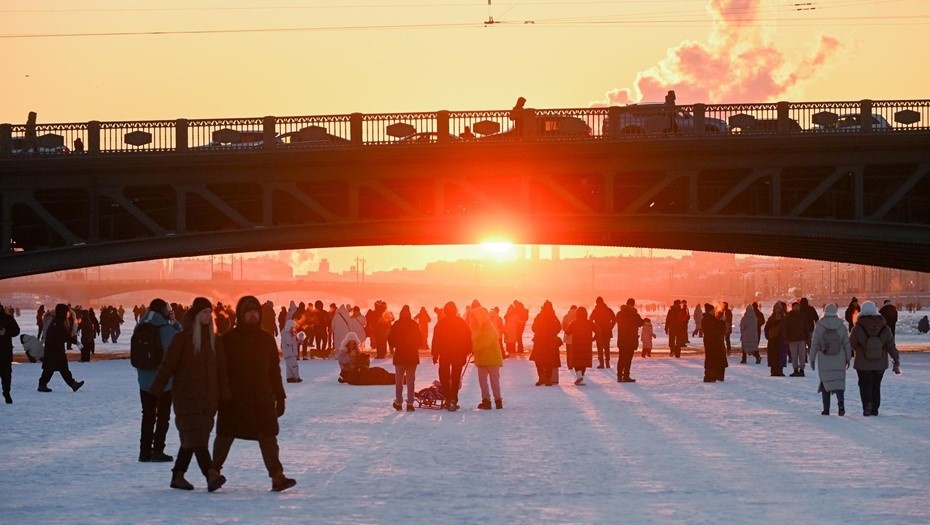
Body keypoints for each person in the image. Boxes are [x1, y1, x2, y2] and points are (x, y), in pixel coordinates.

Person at [213, 296, 295, 492]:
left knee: (268, 437)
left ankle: (277, 476)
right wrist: (220, 396)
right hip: (234, 399)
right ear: (240, 314)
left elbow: (274, 371)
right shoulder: (228, 339)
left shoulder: (266, 339)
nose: (252, 315)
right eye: (248, 312)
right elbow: (220, 371)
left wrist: (280, 397)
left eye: (255, 311)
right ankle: (213, 473)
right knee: (225, 436)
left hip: (261, 398)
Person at [149, 297, 229, 492]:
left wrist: (225, 397)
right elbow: (167, 366)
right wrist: (154, 391)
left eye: (209, 312)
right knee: (197, 438)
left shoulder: (215, 340)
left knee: (192, 439)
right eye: (204, 312)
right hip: (187, 398)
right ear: (196, 315)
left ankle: (178, 475)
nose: (208, 316)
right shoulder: (182, 339)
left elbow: (222, 372)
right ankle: (210, 474)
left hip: (208, 400)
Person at [136, 299, 182, 463]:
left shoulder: (140, 326)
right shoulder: (166, 329)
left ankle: (144, 452)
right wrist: (174, 322)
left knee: (147, 415)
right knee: (163, 416)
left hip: (144, 381)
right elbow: (182, 339)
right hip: (164, 382)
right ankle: (158, 450)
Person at [850, 301, 901, 417]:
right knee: (876, 385)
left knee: (864, 385)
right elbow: (891, 346)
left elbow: (851, 344)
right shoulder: (885, 328)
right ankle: (875, 408)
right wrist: (896, 359)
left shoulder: (857, 328)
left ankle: (867, 405)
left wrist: (859, 350)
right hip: (880, 363)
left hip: (862, 363)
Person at [809, 303, 852, 416]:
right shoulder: (841, 325)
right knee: (839, 382)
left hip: (824, 358)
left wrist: (812, 358)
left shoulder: (820, 325)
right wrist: (848, 358)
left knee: (825, 382)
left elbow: (814, 343)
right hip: (839, 357)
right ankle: (841, 404)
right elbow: (847, 344)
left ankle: (826, 408)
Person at [431, 302, 472, 411]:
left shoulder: (441, 323)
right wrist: (467, 352)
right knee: (456, 377)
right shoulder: (461, 323)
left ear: (445, 311)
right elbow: (468, 338)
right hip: (458, 354)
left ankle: (448, 398)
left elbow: (436, 340)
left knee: (444, 377)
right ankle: (453, 399)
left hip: (445, 354)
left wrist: (435, 354)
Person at [37, 304, 85, 394]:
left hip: (53, 349)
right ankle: (72, 384)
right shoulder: (58, 322)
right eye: (66, 312)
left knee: (53, 368)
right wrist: (76, 342)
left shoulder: (56, 321)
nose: (67, 314)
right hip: (55, 350)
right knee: (58, 368)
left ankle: (43, 384)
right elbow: (64, 335)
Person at [468, 305, 504, 409]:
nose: (473, 320)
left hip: (492, 359)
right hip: (481, 359)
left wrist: (471, 348)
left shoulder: (489, 328)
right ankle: (486, 400)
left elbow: (484, 342)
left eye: (475, 317)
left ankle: (498, 400)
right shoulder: (477, 328)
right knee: (482, 382)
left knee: (494, 382)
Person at [388, 305, 421, 411]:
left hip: (400, 356)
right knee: (411, 381)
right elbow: (420, 341)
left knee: (399, 381)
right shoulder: (414, 324)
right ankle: (410, 403)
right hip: (412, 356)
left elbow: (391, 340)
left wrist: (397, 344)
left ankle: (398, 402)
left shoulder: (396, 324)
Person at [530, 301, 562, 386]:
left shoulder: (539, 316)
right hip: (550, 342)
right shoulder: (553, 317)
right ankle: (548, 379)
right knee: (549, 361)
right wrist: (553, 334)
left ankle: (541, 377)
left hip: (539, 341)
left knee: (539, 360)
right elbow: (559, 328)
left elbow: (533, 328)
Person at [564, 306, 595, 385]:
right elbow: (599, 331)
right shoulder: (589, 323)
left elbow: (567, 332)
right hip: (587, 345)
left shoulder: (574, 323)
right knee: (584, 361)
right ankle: (580, 377)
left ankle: (579, 377)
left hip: (576, 345)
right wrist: (593, 339)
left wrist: (565, 326)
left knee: (576, 361)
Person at [615, 298, 643, 383]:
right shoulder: (634, 314)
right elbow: (640, 323)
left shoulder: (619, 314)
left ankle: (619, 376)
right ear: (633, 304)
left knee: (621, 357)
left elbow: (617, 321)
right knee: (628, 359)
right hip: (631, 340)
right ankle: (626, 376)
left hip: (622, 339)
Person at [0, 302, 22, 404]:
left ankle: (7, 393)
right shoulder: (8, 318)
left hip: (5, 351)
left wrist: (6, 332)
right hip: (6, 350)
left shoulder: (8, 318)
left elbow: (16, 330)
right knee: (6, 374)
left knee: (6, 374)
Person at [701, 304, 728, 382]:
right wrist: (722, 322)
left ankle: (711, 376)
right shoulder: (711, 319)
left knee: (710, 359)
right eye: (713, 310)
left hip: (709, 342)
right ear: (710, 311)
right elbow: (718, 330)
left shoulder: (705, 319)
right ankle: (712, 376)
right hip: (714, 342)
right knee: (714, 359)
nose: (714, 311)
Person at [590, 297, 615, 368]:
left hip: (599, 332)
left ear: (596, 303)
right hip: (607, 331)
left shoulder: (595, 311)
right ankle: (607, 363)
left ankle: (601, 363)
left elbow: (590, 320)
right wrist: (610, 327)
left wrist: (594, 329)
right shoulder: (608, 310)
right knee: (607, 348)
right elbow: (614, 320)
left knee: (600, 348)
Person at [764, 302, 788, 377]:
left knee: (780, 355)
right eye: (776, 308)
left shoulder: (784, 317)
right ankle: (773, 370)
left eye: (779, 308)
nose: (777, 310)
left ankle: (780, 370)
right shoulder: (771, 318)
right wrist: (768, 336)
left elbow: (787, 328)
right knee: (773, 355)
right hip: (773, 340)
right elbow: (767, 328)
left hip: (781, 339)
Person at [785, 302, 808, 377]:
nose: (796, 308)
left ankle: (802, 369)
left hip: (801, 338)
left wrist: (807, 337)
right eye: (795, 307)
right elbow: (786, 328)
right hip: (792, 339)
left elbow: (806, 327)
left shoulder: (803, 316)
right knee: (794, 355)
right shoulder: (789, 316)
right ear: (792, 307)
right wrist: (786, 338)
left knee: (802, 355)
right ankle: (795, 369)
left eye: (797, 306)